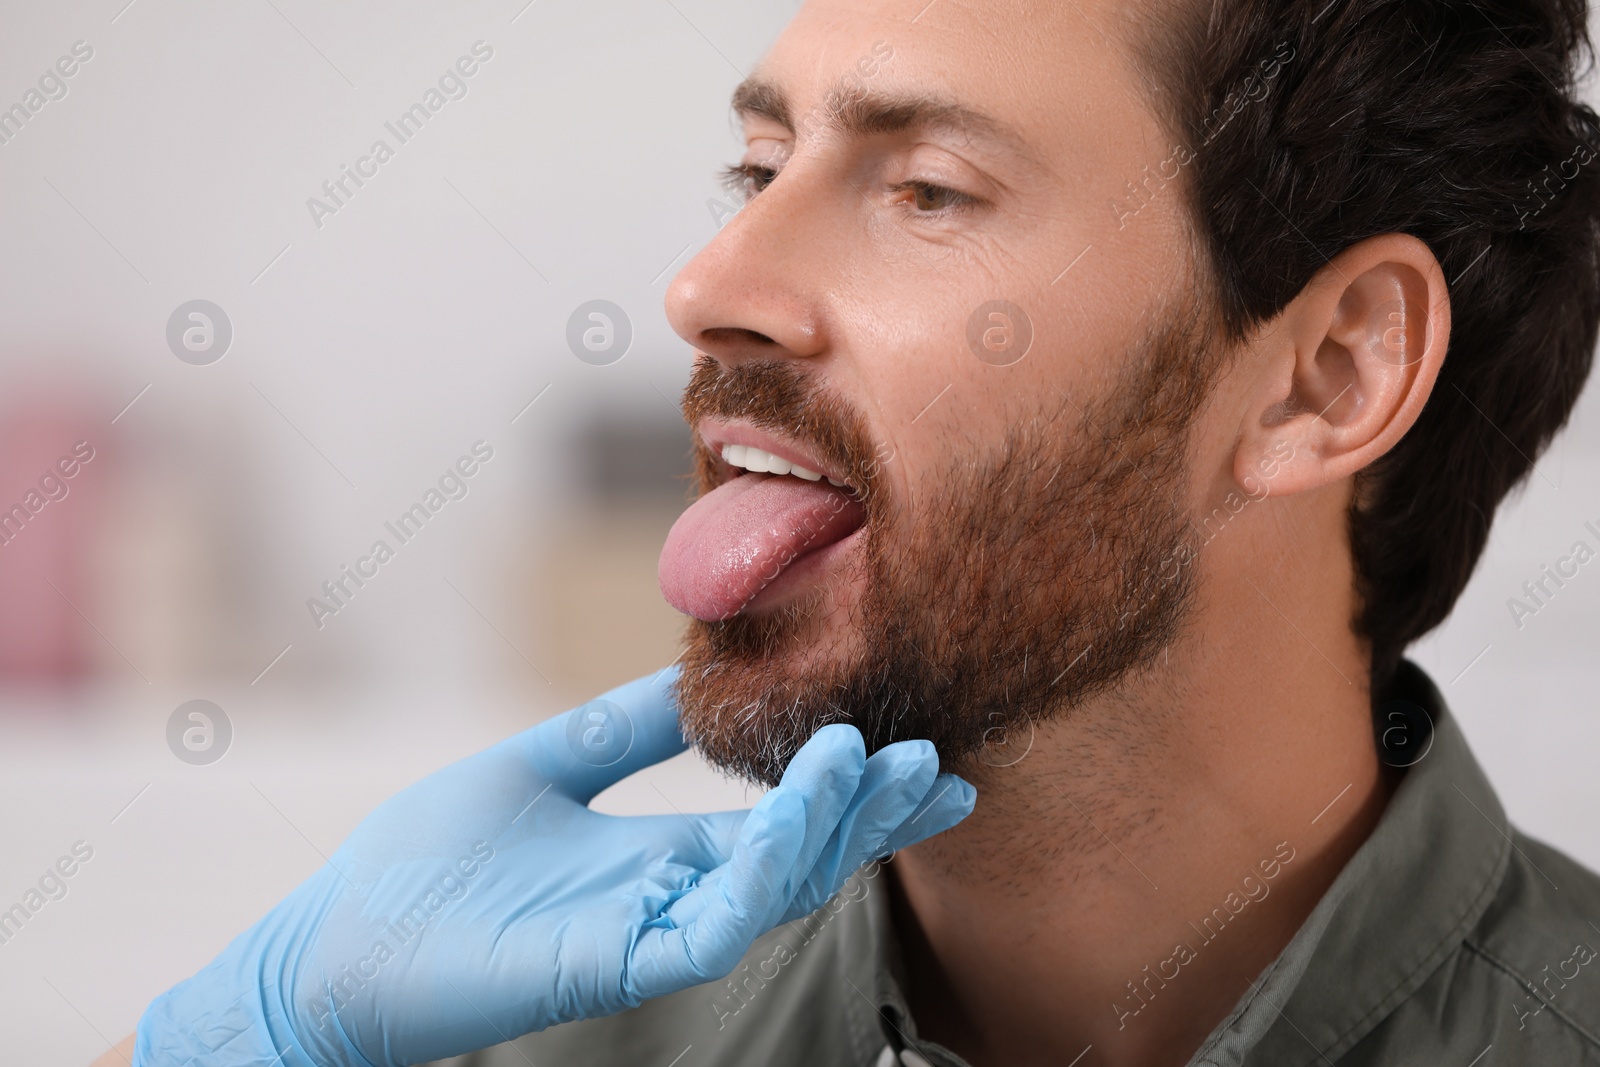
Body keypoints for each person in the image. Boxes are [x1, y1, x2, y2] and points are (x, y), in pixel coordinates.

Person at [109, 0, 1600, 1062]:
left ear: (1326, 372)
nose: (709, 282)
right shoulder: (519, 1038)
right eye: (758, 170)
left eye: (929, 189)